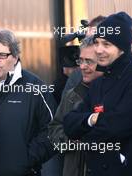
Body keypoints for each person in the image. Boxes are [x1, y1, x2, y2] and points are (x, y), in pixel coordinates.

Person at [63, 12, 132, 176]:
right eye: (96, 43)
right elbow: (68, 123)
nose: (98, 50)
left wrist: (85, 132)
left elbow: (116, 127)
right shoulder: (98, 83)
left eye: (106, 44)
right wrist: (91, 119)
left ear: (122, 47)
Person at [0, 29, 56, 176]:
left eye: (2, 55)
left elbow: (54, 130)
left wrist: (27, 159)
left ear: (15, 57)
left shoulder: (35, 88)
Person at [48, 36, 103, 176]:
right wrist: (72, 140)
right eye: (81, 60)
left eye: (89, 61)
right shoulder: (71, 96)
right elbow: (54, 129)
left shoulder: (120, 94)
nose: (82, 67)